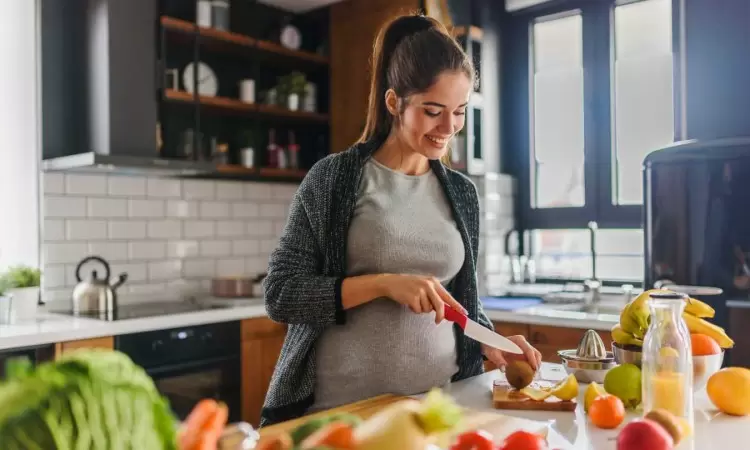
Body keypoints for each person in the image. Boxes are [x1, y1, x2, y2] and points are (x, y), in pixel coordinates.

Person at [260, 13, 542, 427]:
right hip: (342, 418)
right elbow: (281, 294)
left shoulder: (462, 193)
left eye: (460, 111)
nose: (449, 128)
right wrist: (383, 284)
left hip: (436, 412)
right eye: (433, 111)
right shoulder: (334, 179)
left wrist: (494, 343)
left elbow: (460, 305)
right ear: (394, 103)